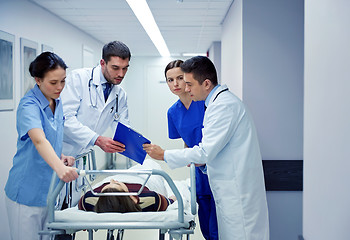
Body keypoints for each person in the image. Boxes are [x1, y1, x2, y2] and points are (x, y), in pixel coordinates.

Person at [143, 56, 269, 240]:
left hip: (236, 192)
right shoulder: (216, 104)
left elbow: (205, 151)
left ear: (206, 83)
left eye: (189, 84)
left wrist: (164, 155)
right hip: (220, 182)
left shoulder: (223, 106)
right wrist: (198, 164)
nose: (185, 89)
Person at [4, 52, 79, 240]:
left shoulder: (56, 100)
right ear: (38, 80)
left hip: (49, 193)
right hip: (27, 194)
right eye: (53, 83)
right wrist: (60, 167)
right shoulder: (28, 105)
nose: (60, 87)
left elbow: (52, 137)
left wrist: (60, 156)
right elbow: (39, 140)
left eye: (63, 81)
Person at [59, 40, 132, 209]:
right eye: (115, 68)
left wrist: (138, 146)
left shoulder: (120, 94)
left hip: (80, 160)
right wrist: (97, 140)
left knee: (72, 217)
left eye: (125, 68)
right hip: (61, 155)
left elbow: (123, 127)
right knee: (53, 218)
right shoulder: (78, 79)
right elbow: (66, 118)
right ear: (102, 63)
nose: (121, 73)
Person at [164, 60, 218, 240]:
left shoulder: (204, 103)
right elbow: (187, 141)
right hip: (198, 170)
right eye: (170, 80)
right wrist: (188, 156)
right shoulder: (173, 112)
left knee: (218, 224)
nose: (176, 84)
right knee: (205, 222)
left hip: (216, 165)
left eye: (180, 78)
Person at [78, 159, 177, 213]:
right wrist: (174, 198)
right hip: (141, 180)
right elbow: (170, 200)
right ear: (132, 198)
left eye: (102, 192)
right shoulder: (150, 199)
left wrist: (111, 184)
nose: (112, 180)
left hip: (125, 176)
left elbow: (82, 203)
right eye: (116, 183)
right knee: (149, 163)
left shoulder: (89, 200)